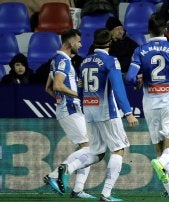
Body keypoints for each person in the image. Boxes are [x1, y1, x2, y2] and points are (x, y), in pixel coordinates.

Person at [52, 28, 139, 202]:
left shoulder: (84, 62)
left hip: (89, 112)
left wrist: (87, 105)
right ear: (110, 43)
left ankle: (68, 168)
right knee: (118, 149)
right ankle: (106, 194)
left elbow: (82, 88)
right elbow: (118, 88)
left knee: (97, 153)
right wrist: (128, 112)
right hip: (107, 112)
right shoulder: (110, 61)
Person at [125, 12, 169, 202]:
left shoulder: (140, 50)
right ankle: (160, 162)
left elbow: (130, 78)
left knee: (161, 150)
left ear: (149, 30)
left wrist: (139, 80)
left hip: (150, 104)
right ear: (165, 29)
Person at [43, 29, 96, 199]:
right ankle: (54, 175)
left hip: (68, 109)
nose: (80, 45)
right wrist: (77, 95)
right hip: (70, 110)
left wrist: (63, 97)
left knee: (88, 150)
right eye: (78, 42)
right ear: (70, 43)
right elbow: (57, 86)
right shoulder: (63, 61)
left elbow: (48, 88)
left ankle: (78, 189)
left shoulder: (58, 60)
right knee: (91, 149)